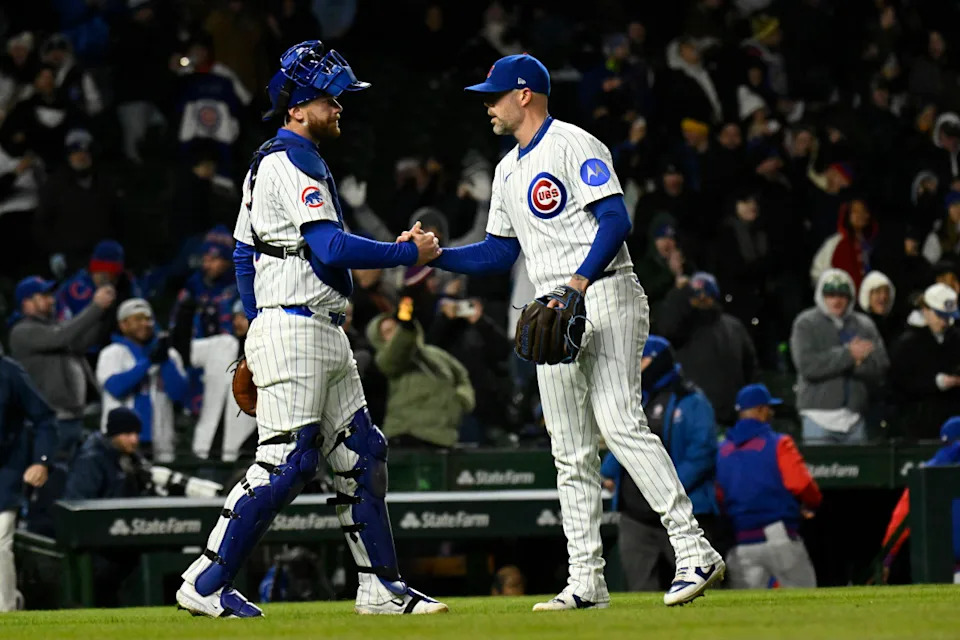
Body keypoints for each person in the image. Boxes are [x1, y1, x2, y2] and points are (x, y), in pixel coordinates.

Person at [405, 53, 723, 610]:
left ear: (524, 94)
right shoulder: (507, 170)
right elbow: (501, 252)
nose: (489, 105)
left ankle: (694, 549)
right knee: (569, 449)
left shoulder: (576, 144)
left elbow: (616, 220)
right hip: (553, 303)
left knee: (621, 423)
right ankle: (586, 581)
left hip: (604, 290)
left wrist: (576, 282)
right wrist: (440, 258)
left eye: (495, 95)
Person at [177, 41, 446, 618]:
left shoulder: (279, 161)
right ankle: (205, 582)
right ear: (299, 106)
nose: (341, 105)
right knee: (287, 462)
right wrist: (404, 252)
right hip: (297, 328)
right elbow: (328, 245)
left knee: (360, 453)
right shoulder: (287, 159)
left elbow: (244, 252)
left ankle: (380, 587)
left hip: (311, 327)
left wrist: (256, 322)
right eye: (332, 97)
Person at [601, 336, 719, 592]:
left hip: (680, 511)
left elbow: (703, 452)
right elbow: (625, 439)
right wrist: (609, 470)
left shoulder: (691, 399)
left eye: (641, 360)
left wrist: (666, 489)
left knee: (701, 587)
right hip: (636, 516)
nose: (635, 367)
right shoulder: (636, 399)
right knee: (640, 589)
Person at [716, 384, 821, 589]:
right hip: (778, 536)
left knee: (745, 614)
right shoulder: (779, 443)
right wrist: (811, 504)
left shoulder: (722, 450)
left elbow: (718, 495)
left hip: (740, 542)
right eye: (768, 408)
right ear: (761, 410)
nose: (771, 413)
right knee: (806, 607)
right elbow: (802, 484)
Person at [171, 226, 255, 462]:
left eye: (214, 259)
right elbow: (181, 350)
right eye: (205, 258)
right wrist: (185, 319)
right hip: (207, 437)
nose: (208, 264)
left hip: (245, 448)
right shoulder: (221, 344)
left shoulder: (267, 349)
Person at [9, 276, 115, 460]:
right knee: (52, 481)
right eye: (44, 296)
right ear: (27, 303)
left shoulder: (55, 328)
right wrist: (95, 307)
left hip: (74, 418)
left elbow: (83, 340)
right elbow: (62, 337)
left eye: (51, 295)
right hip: (49, 421)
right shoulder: (22, 331)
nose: (52, 299)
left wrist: (103, 313)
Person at [791, 269, 889, 443]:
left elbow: (880, 366)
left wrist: (856, 364)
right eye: (830, 294)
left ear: (850, 297)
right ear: (821, 296)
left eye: (842, 295)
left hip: (854, 419)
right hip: (817, 418)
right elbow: (807, 366)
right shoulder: (805, 323)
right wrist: (850, 355)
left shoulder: (864, 325)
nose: (836, 300)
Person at [365, 297, 475, 448]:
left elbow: (462, 376)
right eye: (388, 332)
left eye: (396, 327)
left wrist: (462, 398)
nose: (396, 332)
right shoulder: (385, 360)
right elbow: (400, 347)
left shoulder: (435, 354)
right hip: (408, 437)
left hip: (444, 437)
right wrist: (407, 326)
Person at [657, 272, 758, 426]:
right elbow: (667, 327)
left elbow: (750, 368)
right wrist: (679, 294)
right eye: (696, 294)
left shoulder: (733, 326)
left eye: (706, 293)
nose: (702, 298)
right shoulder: (682, 328)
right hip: (691, 417)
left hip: (730, 417)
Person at [95, 299, 189, 463]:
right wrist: (148, 362)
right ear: (123, 325)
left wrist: (165, 361)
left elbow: (179, 394)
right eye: (137, 319)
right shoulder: (112, 354)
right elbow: (116, 388)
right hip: (120, 441)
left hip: (160, 441)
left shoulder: (169, 355)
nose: (145, 323)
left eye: (148, 319)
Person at [0, 346, 57, 612]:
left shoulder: (9, 371)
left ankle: (6, 612)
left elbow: (44, 418)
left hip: (5, 468)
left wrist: (41, 461)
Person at [880, 416, 960, 584]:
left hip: (948, 569)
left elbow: (899, 520)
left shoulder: (927, 471)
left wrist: (887, 558)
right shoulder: (931, 469)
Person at [888, 283, 960, 439]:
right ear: (925, 310)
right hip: (918, 427)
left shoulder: (955, 338)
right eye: (940, 316)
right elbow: (897, 384)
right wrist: (934, 383)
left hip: (953, 423)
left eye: (949, 316)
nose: (945, 322)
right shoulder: (906, 343)